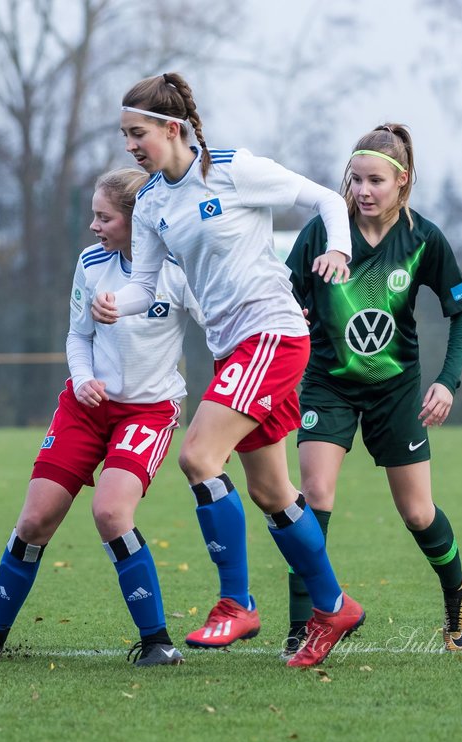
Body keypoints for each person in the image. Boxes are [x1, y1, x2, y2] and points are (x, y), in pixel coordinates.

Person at [92, 72, 364, 668]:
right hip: (233, 349)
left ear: (173, 128)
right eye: (124, 136)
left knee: (197, 457)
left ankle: (236, 603)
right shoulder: (152, 203)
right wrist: (117, 304)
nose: (131, 146)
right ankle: (333, 603)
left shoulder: (232, 168)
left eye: (138, 133)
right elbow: (143, 285)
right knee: (271, 490)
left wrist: (339, 247)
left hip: (271, 333)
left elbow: (323, 198)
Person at [0, 167, 203, 667]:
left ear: (137, 220)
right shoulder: (91, 262)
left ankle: (157, 643)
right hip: (86, 408)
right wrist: (82, 378)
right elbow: (77, 335)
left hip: (148, 412)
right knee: (35, 520)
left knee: (110, 513)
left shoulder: (179, 268)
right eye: (93, 215)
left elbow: (219, 322)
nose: (93, 226)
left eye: (103, 217)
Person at [286, 124, 462, 653]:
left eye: (375, 181)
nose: (363, 190)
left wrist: (447, 382)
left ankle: (457, 589)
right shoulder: (322, 232)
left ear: (402, 181)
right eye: (355, 179)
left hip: (396, 389)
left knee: (417, 512)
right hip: (328, 385)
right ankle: (304, 624)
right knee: (313, 497)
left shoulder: (424, 239)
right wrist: (294, 311)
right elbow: (281, 294)